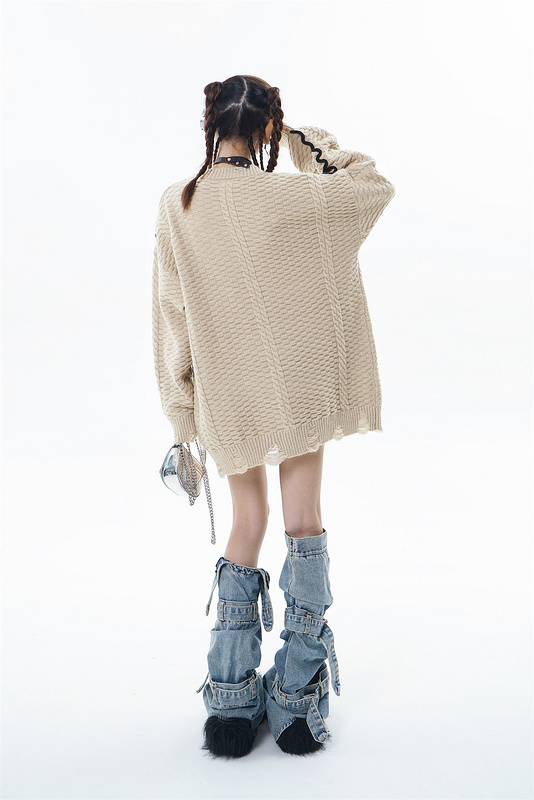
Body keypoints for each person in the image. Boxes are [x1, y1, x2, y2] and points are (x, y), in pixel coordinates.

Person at [152, 74, 396, 759]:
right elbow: (371, 185)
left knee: (247, 523)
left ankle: (231, 707)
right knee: (302, 523)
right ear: (265, 128)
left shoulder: (179, 203)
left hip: (229, 396)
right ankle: (295, 707)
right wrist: (301, 141)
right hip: (299, 388)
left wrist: (182, 418)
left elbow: (171, 316)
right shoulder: (294, 196)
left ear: (210, 126)